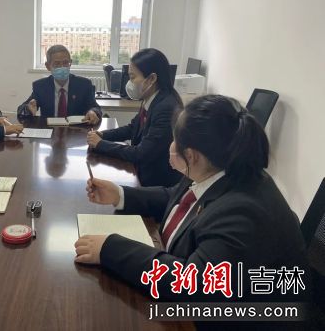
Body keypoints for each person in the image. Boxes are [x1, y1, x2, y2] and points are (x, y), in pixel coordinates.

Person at [75, 95, 309, 304]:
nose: (170, 144)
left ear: (191, 155)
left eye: (174, 139)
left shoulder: (243, 212)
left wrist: (111, 248)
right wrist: (120, 194)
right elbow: (178, 199)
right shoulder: (218, 167)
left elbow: (191, 283)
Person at [87, 48, 183, 187]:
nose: (129, 82)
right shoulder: (152, 98)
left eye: (132, 77)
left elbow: (142, 153)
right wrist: (102, 135)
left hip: (156, 184)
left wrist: (100, 144)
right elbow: (133, 128)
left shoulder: (166, 108)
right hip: (143, 173)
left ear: (151, 79)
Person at [17, 45, 102, 124]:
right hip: (50, 130)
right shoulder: (41, 86)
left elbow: (95, 107)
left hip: (76, 130)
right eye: (57, 64)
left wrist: (93, 112)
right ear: (48, 66)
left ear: (70, 63)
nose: (62, 67)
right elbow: (22, 108)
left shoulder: (83, 85)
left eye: (65, 63)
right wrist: (28, 109)